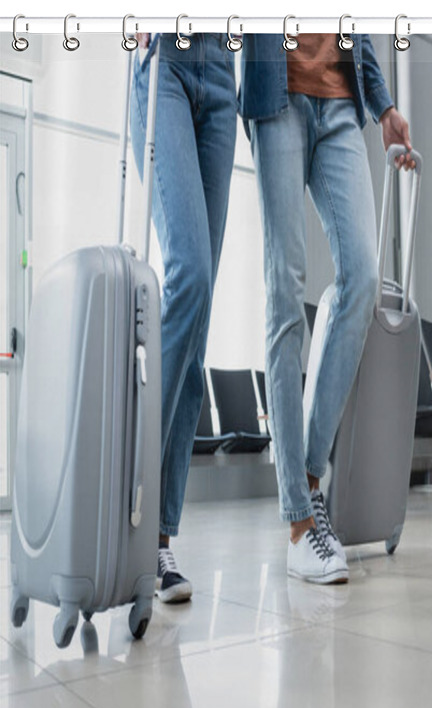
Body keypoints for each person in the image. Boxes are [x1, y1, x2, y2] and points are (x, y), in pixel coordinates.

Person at [239, 33, 414, 584]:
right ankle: (297, 521)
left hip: (341, 100)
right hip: (277, 96)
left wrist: (382, 103)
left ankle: (311, 478)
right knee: (286, 293)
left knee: (362, 278)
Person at [131, 32, 237, 602]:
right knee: (189, 272)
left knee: (197, 321)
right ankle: (132, 491)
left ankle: (159, 536)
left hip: (223, 71)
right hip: (164, 61)